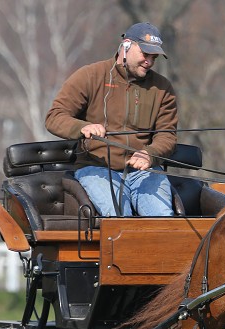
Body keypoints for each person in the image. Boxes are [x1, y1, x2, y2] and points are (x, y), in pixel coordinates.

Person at [46, 22, 177, 216]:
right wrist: (83, 127)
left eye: (154, 57)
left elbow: (167, 135)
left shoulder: (162, 88)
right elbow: (54, 117)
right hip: (96, 167)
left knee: (162, 219)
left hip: (144, 172)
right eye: (144, 54)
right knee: (119, 216)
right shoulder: (90, 76)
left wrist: (150, 153)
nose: (149, 61)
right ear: (126, 45)